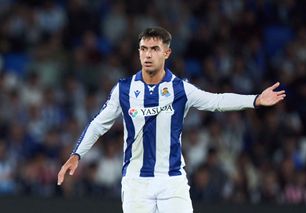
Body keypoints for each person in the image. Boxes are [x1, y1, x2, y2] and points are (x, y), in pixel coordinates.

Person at [57, 26, 286, 213]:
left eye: (155, 49)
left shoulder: (180, 89)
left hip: (172, 180)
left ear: (166, 53)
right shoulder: (124, 89)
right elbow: (98, 124)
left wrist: (255, 99)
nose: (148, 54)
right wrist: (76, 154)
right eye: (143, 49)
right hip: (136, 181)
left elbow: (216, 101)